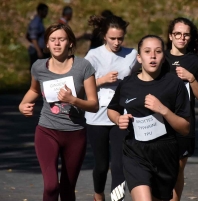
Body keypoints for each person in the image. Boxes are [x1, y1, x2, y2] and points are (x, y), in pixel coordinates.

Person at [19, 23, 99, 201]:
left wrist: (74, 100)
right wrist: (22, 105)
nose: (56, 44)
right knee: (51, 187)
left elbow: (94, 104)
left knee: (67, 189)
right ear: (46, 43)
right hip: (47, 131)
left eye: (61, 39)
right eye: (52, 40)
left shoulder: (83, 67)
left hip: (75, 134)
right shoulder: (39, 67)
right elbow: (33, 90)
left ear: (70, 42)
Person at [107, 35, 191, 201]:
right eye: (147, 52)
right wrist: (118, 120)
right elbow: (112, 110)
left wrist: (163, 110)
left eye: (158, 52)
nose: (152, 56)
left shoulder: (174, 84)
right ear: (139, 57)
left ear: (163, 56)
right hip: (135, 152)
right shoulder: (127, 84)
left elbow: (185, 127)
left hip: (165, 154)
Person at [84, 14, 139, 201]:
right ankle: (98, 195)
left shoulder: (131, 55)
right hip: (96, 115)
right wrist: (102, 80)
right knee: (101, 165)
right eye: (112, 38)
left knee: (118, 164)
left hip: (120, 115)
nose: (117, 42)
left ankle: (117, 199)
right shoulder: (93, 55)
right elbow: (82, 85)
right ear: (104, 36)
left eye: (120, 38)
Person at [165, 17, 198, 201]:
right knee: (159, 169)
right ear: (170, 35)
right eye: (178, 34)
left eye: (186, 35)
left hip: (184, 122)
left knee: (177, 169)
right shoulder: (159, 57)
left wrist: (191, 78)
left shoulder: (196, 62)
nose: (182, 38)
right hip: (159, 122)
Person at [26, 3, 50, 68]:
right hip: (36, 51)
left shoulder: (39, 21)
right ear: (40, 11)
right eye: (45, 11)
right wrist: (38, 51)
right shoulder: (36, 23)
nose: (46, 13)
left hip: (39, 49)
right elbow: (33, 38)